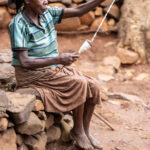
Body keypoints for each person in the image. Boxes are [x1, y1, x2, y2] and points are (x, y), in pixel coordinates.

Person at [8, 0, 106, 149]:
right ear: (27, 1)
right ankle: (77, 130)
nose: (46, 0)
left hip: (52, 68)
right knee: (79, 83)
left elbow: (79, 10)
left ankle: (86, 130)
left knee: (94, 86)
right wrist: (58, 59)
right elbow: (24, 62)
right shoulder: (18, 24)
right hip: (33, 75)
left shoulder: (47, 13)